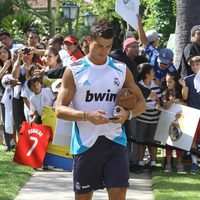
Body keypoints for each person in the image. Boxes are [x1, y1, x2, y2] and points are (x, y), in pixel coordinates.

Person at [56, 19, 146, 200]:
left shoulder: (121, 69)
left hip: (115, 140)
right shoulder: (74, 70)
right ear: (88, 40)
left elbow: (142, 103)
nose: (103, 51)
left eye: (108, 46)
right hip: (86, 144)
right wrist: (86, 116)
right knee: (83, 197)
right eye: (98, 46)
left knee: (119, 193)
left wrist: (127, 114)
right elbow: (59, 109)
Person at [136, 63, 162, 172]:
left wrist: (158, 105)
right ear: (147, 74)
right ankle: (140, 163)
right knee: (141, 141)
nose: (154, 73)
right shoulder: (138, 86)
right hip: (142, 118)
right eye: (152, 71)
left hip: (154, 119)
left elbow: (159, 101)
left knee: (153, 142)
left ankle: (153, 162)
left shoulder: (156, 86)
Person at [179, 55, 200, 174]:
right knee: (193, 140)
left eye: (197, 64)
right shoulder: (188, 79)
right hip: (193, 113)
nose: (195, 66)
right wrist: (183, 86)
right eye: (192, 65)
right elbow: (185, 97)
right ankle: (194, 163)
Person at [162, 71, 185, 173]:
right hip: (168, 121)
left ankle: (179, 163)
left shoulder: (180, 93)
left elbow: (186, 103)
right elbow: (165, 106)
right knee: (169, 143)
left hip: (180, 122)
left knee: (179, 142)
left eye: (170, 81)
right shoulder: (165, 93)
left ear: (175, 82)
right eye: (167, 82)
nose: (168, 84)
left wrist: (177, 102)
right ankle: (168, 163)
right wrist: (171, 102)